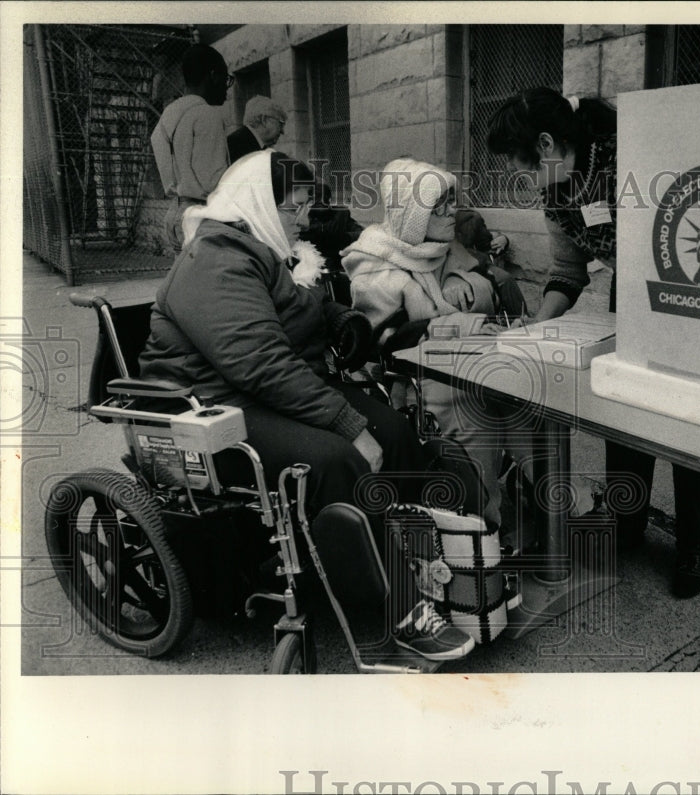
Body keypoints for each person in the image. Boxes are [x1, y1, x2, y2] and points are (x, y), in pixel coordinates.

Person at [138, 150, 475, 661]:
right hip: (215, 404)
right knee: (339, 459)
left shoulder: (268, 246)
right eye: (295, 206)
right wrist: (344, 421)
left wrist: (342, 320)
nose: (303, 217)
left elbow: (303, 306)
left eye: (305, 205)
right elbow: (259, 363)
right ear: (261, 203)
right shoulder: (214, 261)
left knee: (394, 432)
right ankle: (398, 606)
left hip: (273, 388)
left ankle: (425, 563)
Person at [487, 87, 700, 598]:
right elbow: (568, 271)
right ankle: (628, 521)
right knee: (623, 403)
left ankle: (694, 544)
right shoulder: (555, 192)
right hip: (628, 292)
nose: (519, 180)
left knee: (685, 417)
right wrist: (537, 326)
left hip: (685, 292)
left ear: (547, 144)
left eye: (520, 167)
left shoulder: (630, 157)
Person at [340, 158, 514, 531]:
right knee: (472, 406)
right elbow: (380, 344)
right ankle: (481, 524)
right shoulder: (376, 266)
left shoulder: (444, 248)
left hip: (471, 359)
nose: (453, 212)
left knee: (526, 401)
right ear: (414, 215)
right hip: (419, 379)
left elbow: (488, 289)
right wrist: (451, 325)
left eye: (453, 201)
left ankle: (567, 506)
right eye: (441, 206)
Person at [151, 44, 232, 254]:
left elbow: (158, 143)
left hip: (176, 213)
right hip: (203, 216)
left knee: (188, 281)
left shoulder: (169, 113)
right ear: (212, 75)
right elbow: (214, 181)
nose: (226, 88)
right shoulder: (208, 114)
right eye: (226, 79)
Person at [227, 95, 286, 163]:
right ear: (264, 120)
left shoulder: (241, 142)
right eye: (281, 123)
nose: (282, 131)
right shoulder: (238, 147)